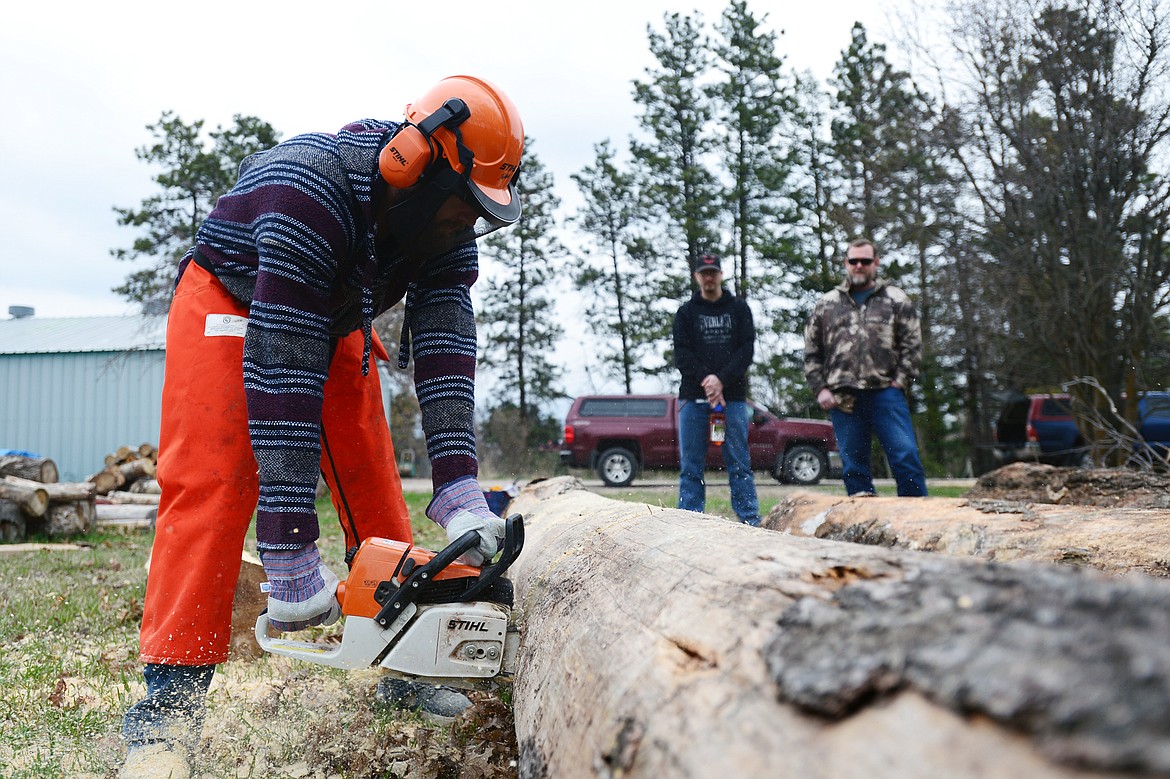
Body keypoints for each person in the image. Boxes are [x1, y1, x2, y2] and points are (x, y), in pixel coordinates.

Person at [120, 75, 524, 778]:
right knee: (214, 483)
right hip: (237, 296)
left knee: (372, 478)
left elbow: (446, 352)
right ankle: (164, 718)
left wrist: (461, 484)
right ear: (413, 165)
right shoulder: (311, 188)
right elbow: (282, 368)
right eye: (461, 209)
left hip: (330, 309)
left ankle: (404, 667)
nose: (467, 226)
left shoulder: (449, 226)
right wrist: (287, 547)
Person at [803, 237, 928, 497]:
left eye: (865, 261)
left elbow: (913, 345)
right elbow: (811, 350)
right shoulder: (826, 304)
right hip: (843, 397)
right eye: (854, 261)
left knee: (905, 457)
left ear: (876, 263)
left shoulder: (896, 299)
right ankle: (862, 529)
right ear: (846, 263)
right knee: (853, 467)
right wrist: (820, 389)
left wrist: (900, 382)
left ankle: (918, 519)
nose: (859, 265)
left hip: (885, 392)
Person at [672, 253, 761, 526]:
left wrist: (721, 380)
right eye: (704, 273)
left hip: (731, 400)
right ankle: (689, 520)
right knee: (691, 466)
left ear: (721, 274)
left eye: (713, 272)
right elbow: (682, 355)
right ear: (697, 276)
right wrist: (708, 381)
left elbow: (746, 350)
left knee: (739, 463)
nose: (709, 277)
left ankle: (749, 521)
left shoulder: (739, 309)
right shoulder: (686, 313)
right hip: (694, 400)